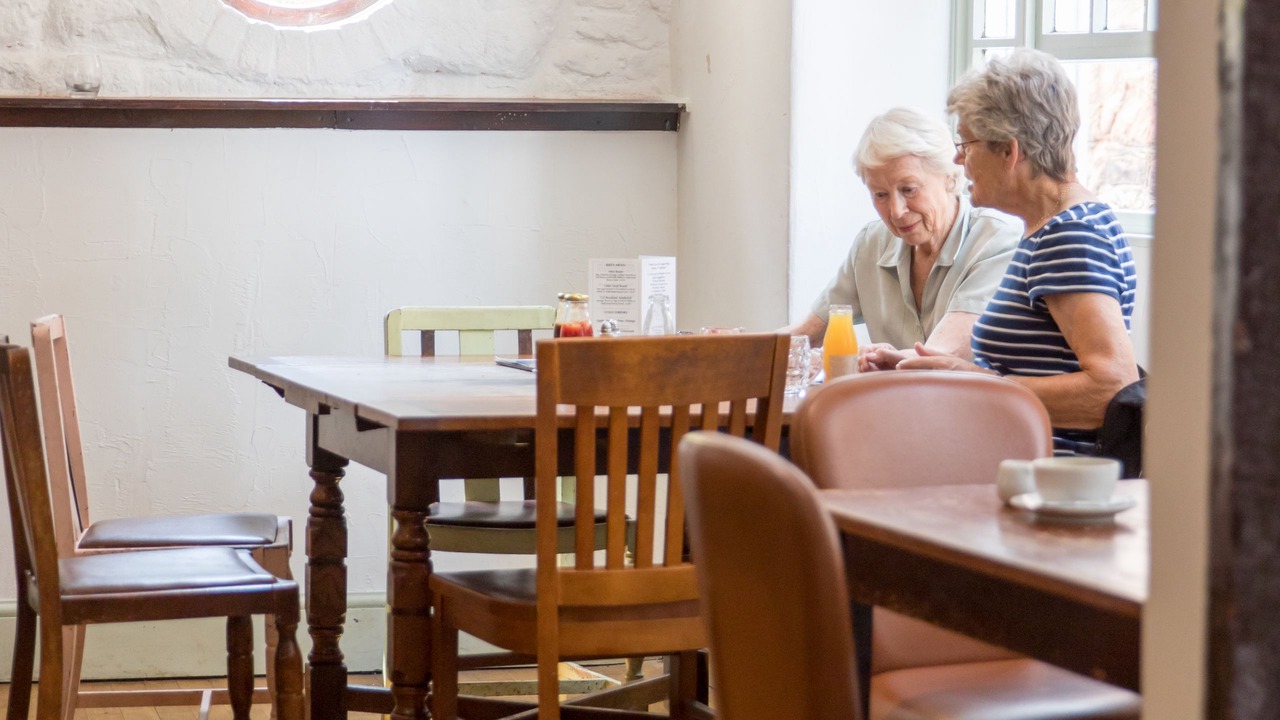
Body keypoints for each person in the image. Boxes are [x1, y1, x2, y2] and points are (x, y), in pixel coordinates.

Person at [891, 49, 1140, 456]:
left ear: (1009, 151)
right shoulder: (1057, 225)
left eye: (966, 143)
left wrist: (972, 382)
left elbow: (1110, 387)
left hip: (1040, 475)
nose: (957, 158)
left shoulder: (1068, 235)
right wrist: (946, 370)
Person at [783, 107, 1020, 365]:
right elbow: (804, 336)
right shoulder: (871, 244)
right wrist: (750, 354)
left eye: (909, 189)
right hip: (891, 392)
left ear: (950, 178)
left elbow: (940, 356)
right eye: (880, 195)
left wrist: (870, 359)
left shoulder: (997, 242)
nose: (896, 211)